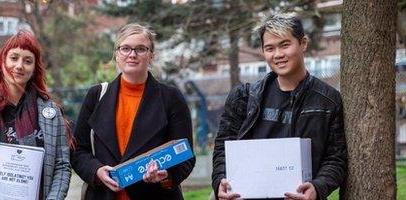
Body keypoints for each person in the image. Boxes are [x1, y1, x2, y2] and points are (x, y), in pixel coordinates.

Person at [212, 13, 347, 200]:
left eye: (285, 45)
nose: (278, 55)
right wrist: (220, 181)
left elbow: (336, 158)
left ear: (303, 43)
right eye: (270, 48)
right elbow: (223, 149)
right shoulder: (243, 97)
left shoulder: (328, 101)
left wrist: (317, 188)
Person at [70, 23, 195, 200]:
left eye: (141, 49)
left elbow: (185, 155)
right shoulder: (96, 95)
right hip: (104, 195)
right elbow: (78, 150)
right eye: (126, 48)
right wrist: (96, 171)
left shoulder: (171, 97)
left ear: (151, 55)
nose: (132, 54)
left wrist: (165, 176)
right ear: (117, 54)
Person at [0, 30, 72, 200]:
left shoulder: (51, 113)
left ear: (34, 69)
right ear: (3, 61)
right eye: (14, 58)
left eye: (27, 61)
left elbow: (62, 167)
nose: (19, 66)